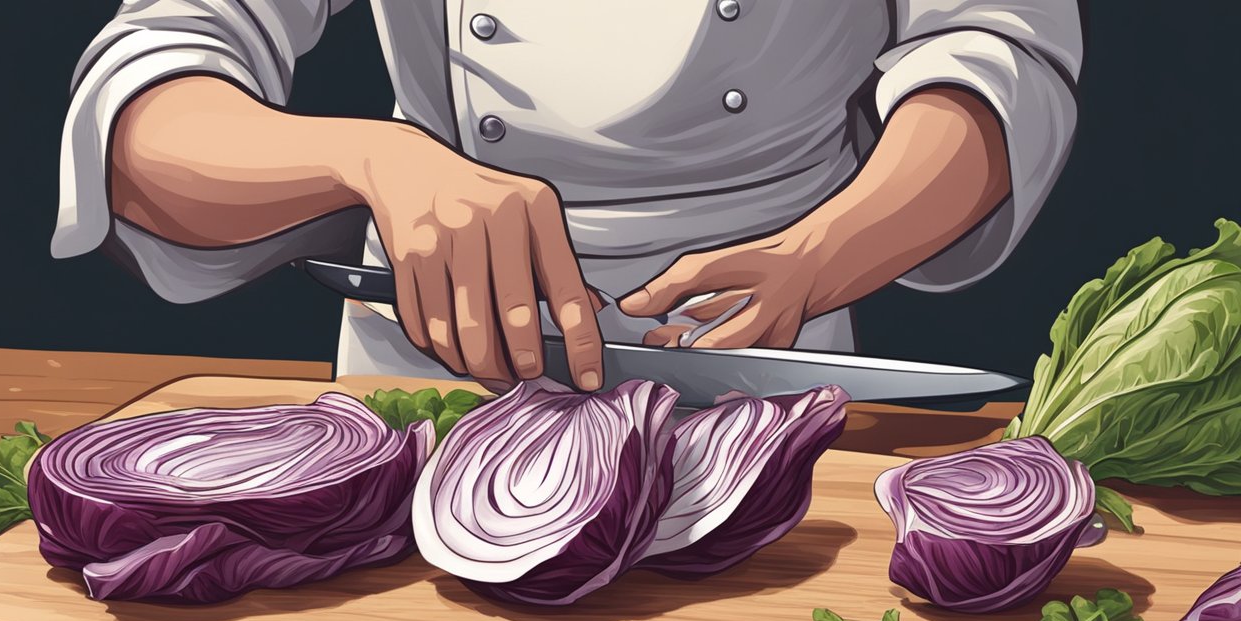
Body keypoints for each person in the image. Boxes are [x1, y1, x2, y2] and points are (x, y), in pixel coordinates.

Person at [52, 1, 1081, 392]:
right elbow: (148, 115)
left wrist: (825, 255)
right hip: (441, 377)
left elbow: (992, 62)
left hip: (767, 370)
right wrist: (375, 162)